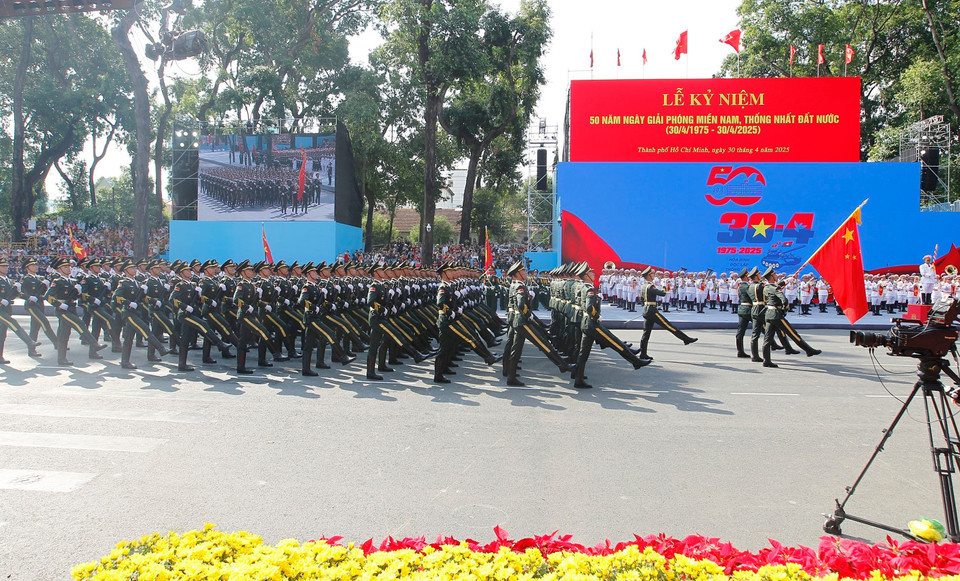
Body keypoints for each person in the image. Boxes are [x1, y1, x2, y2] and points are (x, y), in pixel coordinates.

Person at [638, 266, 698, 360]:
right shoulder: (650, 286)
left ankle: (643, 353)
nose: (654, 275)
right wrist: (665, 288)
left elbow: (642, 299)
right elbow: (662, 294)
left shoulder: (644, 286)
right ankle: (686, 339)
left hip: (646, 309)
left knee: (646, 333)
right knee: (669, 326)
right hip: (652, 311)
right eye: (652, 274)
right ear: (649, 275)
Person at [0, 256, 42, 362]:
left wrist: (16, 290)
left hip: (6, 309)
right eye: (3, 266)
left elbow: (11, 295)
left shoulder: (8, 281)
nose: (6, 268)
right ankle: (29, 342)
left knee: (2, 334)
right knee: (13, 323)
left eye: (6, 266)